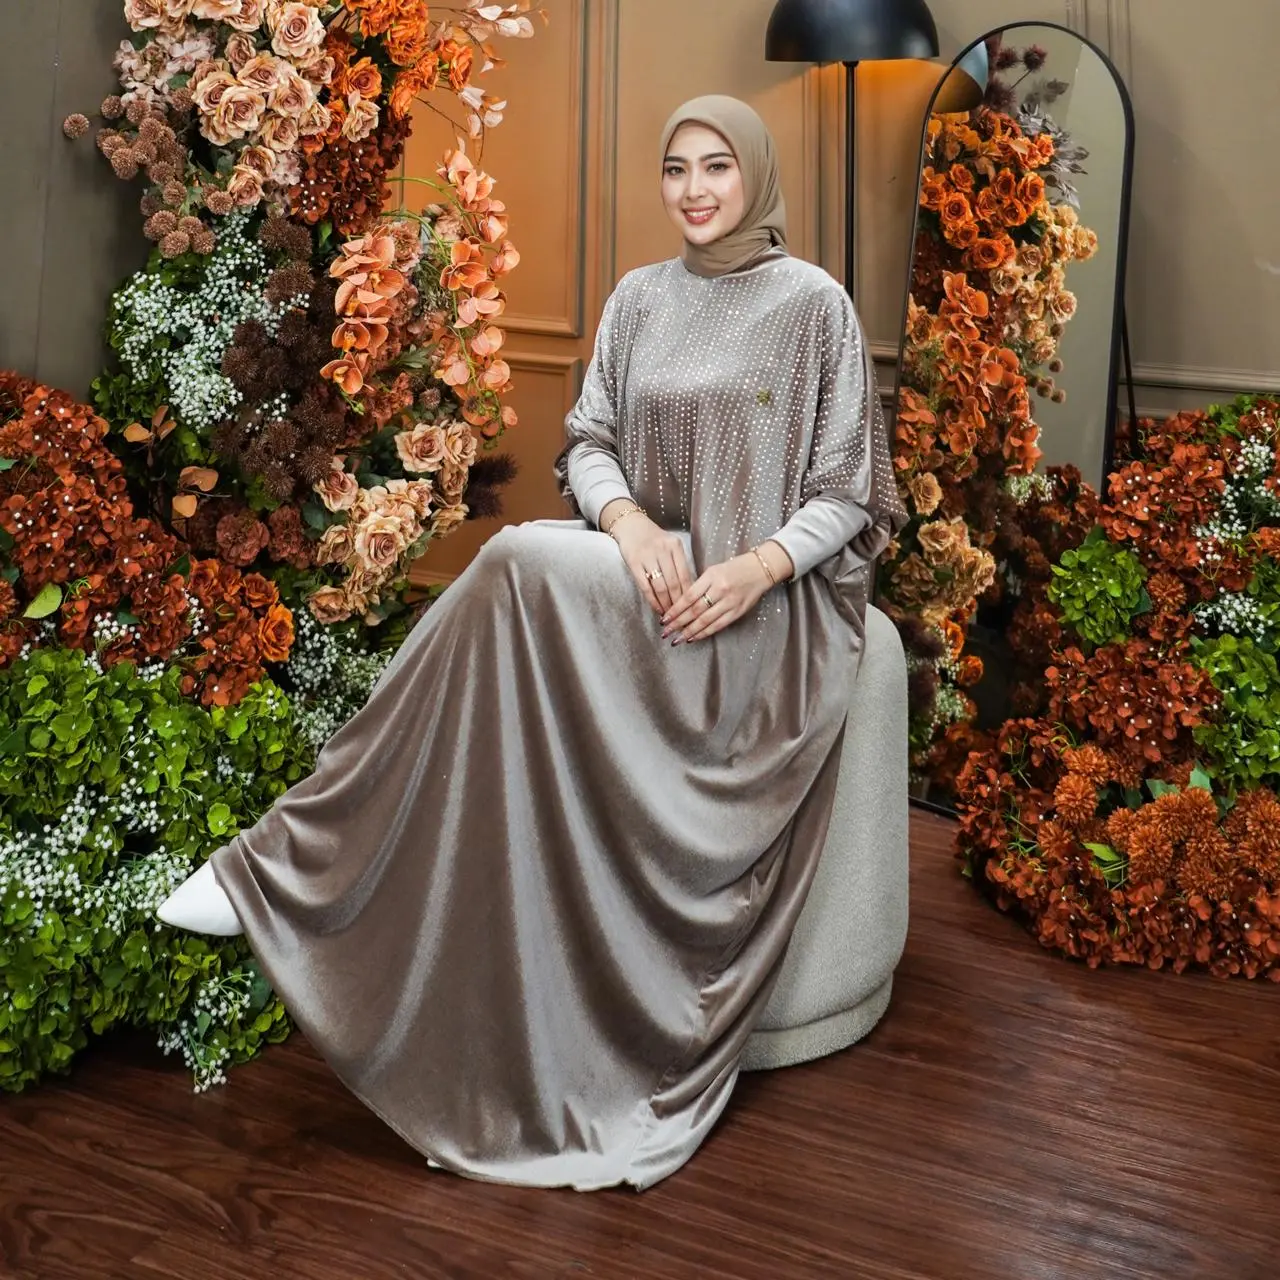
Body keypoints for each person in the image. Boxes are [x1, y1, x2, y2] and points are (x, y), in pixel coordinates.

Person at [157, 94, 906, 1191]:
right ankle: (298, 874)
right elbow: (588, 442)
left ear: (754, 172)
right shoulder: (639, 297)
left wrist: (756, 567)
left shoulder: (812, 306)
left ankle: (282, 859)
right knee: (516, 576)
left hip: (757, 610)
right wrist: (629, 522)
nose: (693, 189)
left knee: (511, 562)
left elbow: (849, 490)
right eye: (675, 168)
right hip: (643, 575)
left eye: (715, 166)